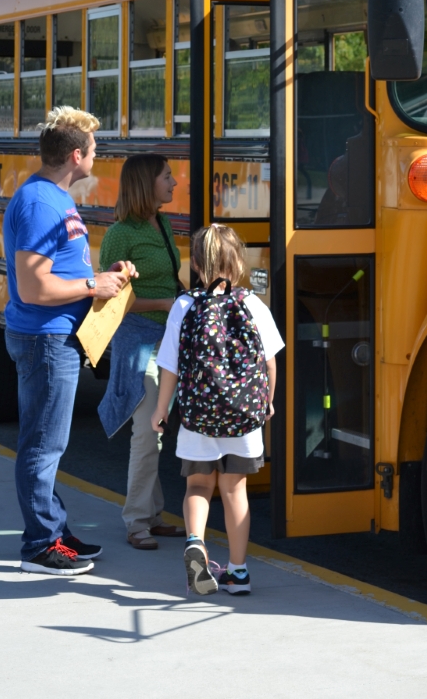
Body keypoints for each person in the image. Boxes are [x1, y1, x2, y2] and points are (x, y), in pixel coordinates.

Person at [4, 106, 137, 575]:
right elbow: (32, 287)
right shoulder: (41, 203)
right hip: (45, 340)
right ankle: (40, 545)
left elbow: (62, 268)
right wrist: (91, 287)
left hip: (56, 338)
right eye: (95, 150)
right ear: (76, 155)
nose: (98, 157)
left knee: (49, 442)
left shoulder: (55, 197)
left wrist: (108, 278)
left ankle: (54, 530)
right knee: (42, 444)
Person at [152, 224, 284, 595]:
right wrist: (267, 402)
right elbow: (270, 362)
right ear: (239, 261)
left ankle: (196, 542)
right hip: (243, 419)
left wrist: (161, 411)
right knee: (234, 491)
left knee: (197, 485)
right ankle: (238, 572)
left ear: (195, 264)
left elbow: (169, 366)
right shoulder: (253, 304)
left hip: (198, 418)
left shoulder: (185, 305)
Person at [98, 154, 186, 549]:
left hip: (165, 341)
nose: (174, 182)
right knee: (147, 431)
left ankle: (153, 514)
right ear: (145, 184)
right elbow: (112, 300)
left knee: (159, 429)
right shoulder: (120, 234)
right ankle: (136, 521)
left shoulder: (163, 223)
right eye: (167, 177)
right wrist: (164, 304)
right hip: (138, 340)